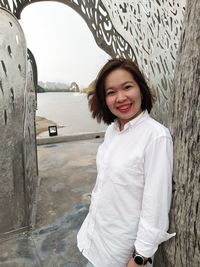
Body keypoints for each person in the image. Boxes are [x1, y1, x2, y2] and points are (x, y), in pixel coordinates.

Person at [77, 58, 175, 267]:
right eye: (111, 92)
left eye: (127, 87)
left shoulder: (156, 136)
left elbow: (155, 207)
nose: (120, 98)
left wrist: (140, 258)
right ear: (104, 99)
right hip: (93, 240)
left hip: (121, 255)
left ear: (141, 89)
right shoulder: (112, 131)